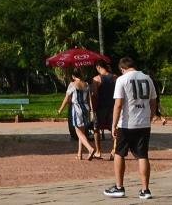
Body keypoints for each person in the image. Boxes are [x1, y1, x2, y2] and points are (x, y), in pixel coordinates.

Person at [104, 54, 156, 200]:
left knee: (120, 153)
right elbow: (153, 101)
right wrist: (150, 117)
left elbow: (118, 104)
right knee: (143, 155)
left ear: (122, 68)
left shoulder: (122, 80)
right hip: (144, 123)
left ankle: (119, 187)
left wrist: (113, 124)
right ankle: (145, 190)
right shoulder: (147, 78)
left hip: (126, 123)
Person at [60, 72, 97, 160]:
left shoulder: (72, 84)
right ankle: (79, 154)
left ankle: (90, 148)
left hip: (77, 109)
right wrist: (91, 110)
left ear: (73, 76)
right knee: (82, 131)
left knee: (78, 131)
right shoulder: (86, 84)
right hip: (86, 108)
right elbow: (89, 99)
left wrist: (61, 109)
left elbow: (67, 98)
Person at [90, 62, 115, 152]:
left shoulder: (96, 79)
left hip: (100, 107)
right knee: (114, 128)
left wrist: (92, 108)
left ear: (98, 67)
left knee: (96, 129)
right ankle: (114, 150)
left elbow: (95, 94)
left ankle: (98, 151)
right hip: (113, 107)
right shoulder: (115, 77)